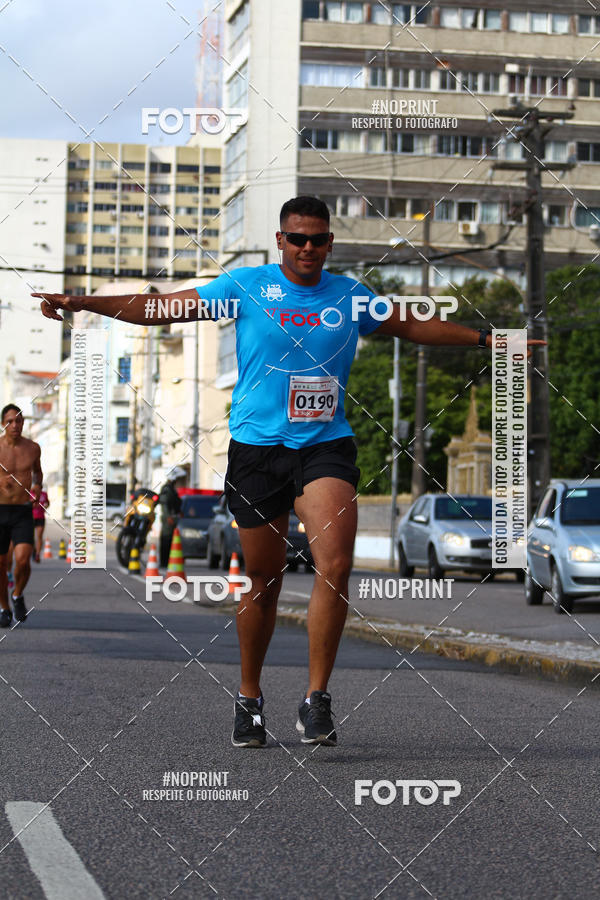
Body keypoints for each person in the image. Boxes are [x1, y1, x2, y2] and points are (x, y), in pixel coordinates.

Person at [35, 195, 543, 747]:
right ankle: (249, 697)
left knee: (336, 564)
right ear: (281, 240)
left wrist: (489, 340)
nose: (308, 248)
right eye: (297, 238)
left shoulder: (350, 295)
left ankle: (316, 698)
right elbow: (162, 308)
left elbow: (410, 325)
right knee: (264, 581)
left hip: (325, 445)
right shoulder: (246, 286)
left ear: (330, 244)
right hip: (257, 449)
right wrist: (82, 302)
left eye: (318, 239)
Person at [0, 404, 43, 626]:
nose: (14, 425)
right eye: (9, 421)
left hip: (22, 511)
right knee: (0, 563)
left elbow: (37, 473)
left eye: (18, 421)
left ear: (23, 423)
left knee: (23, 560)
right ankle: (4, 608)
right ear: (2, 424)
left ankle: (17, 595)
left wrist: (37, 487)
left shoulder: (33, 448)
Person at [158, 467, 185, 568]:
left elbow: (175, 503)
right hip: (168, 519)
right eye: (177, 478)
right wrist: (168, 516)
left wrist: (179, 511)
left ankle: (168, 561)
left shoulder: (172, 489)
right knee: (166, 539)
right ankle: (164, 562)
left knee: (171, 541)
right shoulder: (167, 489)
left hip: (172, 518)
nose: (178, 481)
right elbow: (165, 504)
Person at [32, 485, 50, 563]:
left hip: (40, 517)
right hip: (31, 517)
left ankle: (37, 554)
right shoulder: (29, 493)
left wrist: (46, 505)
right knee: (30, 537)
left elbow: (47, 502)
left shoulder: (44, 494)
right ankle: (33, 550)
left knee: (39, 536)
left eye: (39, 487)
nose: (37, 489)